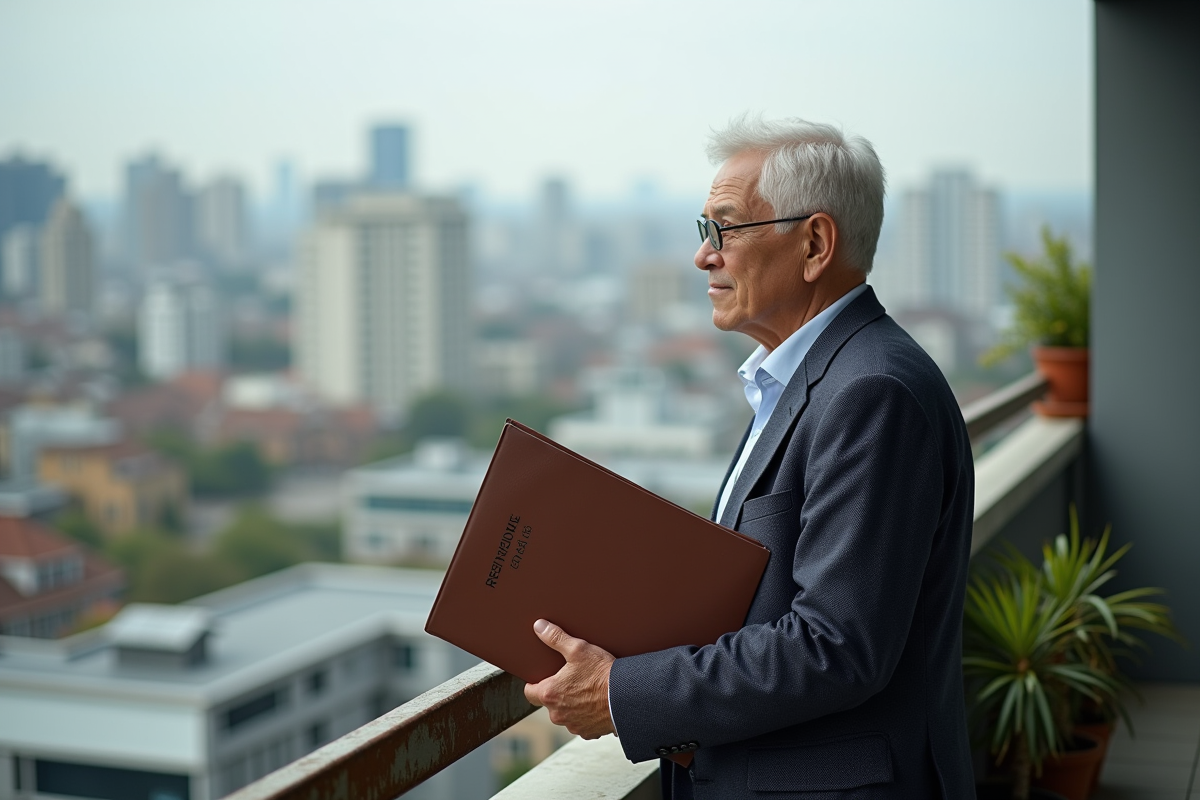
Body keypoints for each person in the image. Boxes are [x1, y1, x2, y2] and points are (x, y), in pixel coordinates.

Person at [524, 116, 975, 799]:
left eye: (724, 230)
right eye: (702, 231)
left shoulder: (870, 391)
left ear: (815, 243)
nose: (705, 257)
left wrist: (623, 691)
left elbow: (836, 646)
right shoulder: (807, 377)